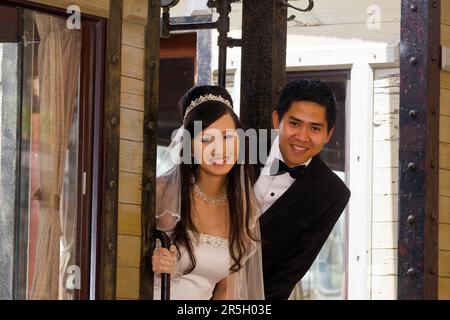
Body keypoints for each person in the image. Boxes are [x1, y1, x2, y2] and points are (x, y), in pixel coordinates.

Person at [152, 85, 264, 300]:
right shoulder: (162, 191)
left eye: (227, 137)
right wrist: (152, 260)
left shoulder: (244, 208)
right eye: (205, 139)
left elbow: (226, 290)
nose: (219, 149)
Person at [255, 79, 351, 300]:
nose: (302, 137)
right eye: (295, 123)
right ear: (277, 119)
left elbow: (291, 270)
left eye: (315, 128)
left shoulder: (332, 194)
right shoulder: (239, 147)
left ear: (328, 134)